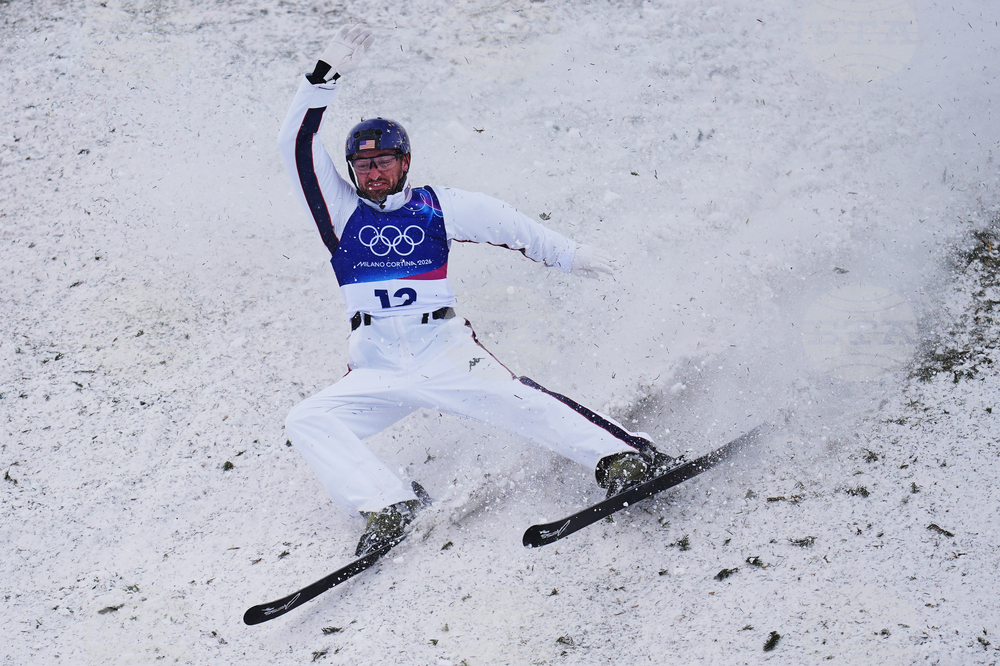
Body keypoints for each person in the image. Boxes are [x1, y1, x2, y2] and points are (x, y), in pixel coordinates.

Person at [278, 25, 671, 557]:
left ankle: (624, 457)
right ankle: (389, 505)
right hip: (377, 368)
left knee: (520, 401)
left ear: (405, 163)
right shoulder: (339, 215)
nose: (374, 173)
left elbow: (510, 224)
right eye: (363, 165)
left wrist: (572, 255)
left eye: (385, 161)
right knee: (308, 418)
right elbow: (295, 143)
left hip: (442, 352)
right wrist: (322, 79)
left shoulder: (438, 206)